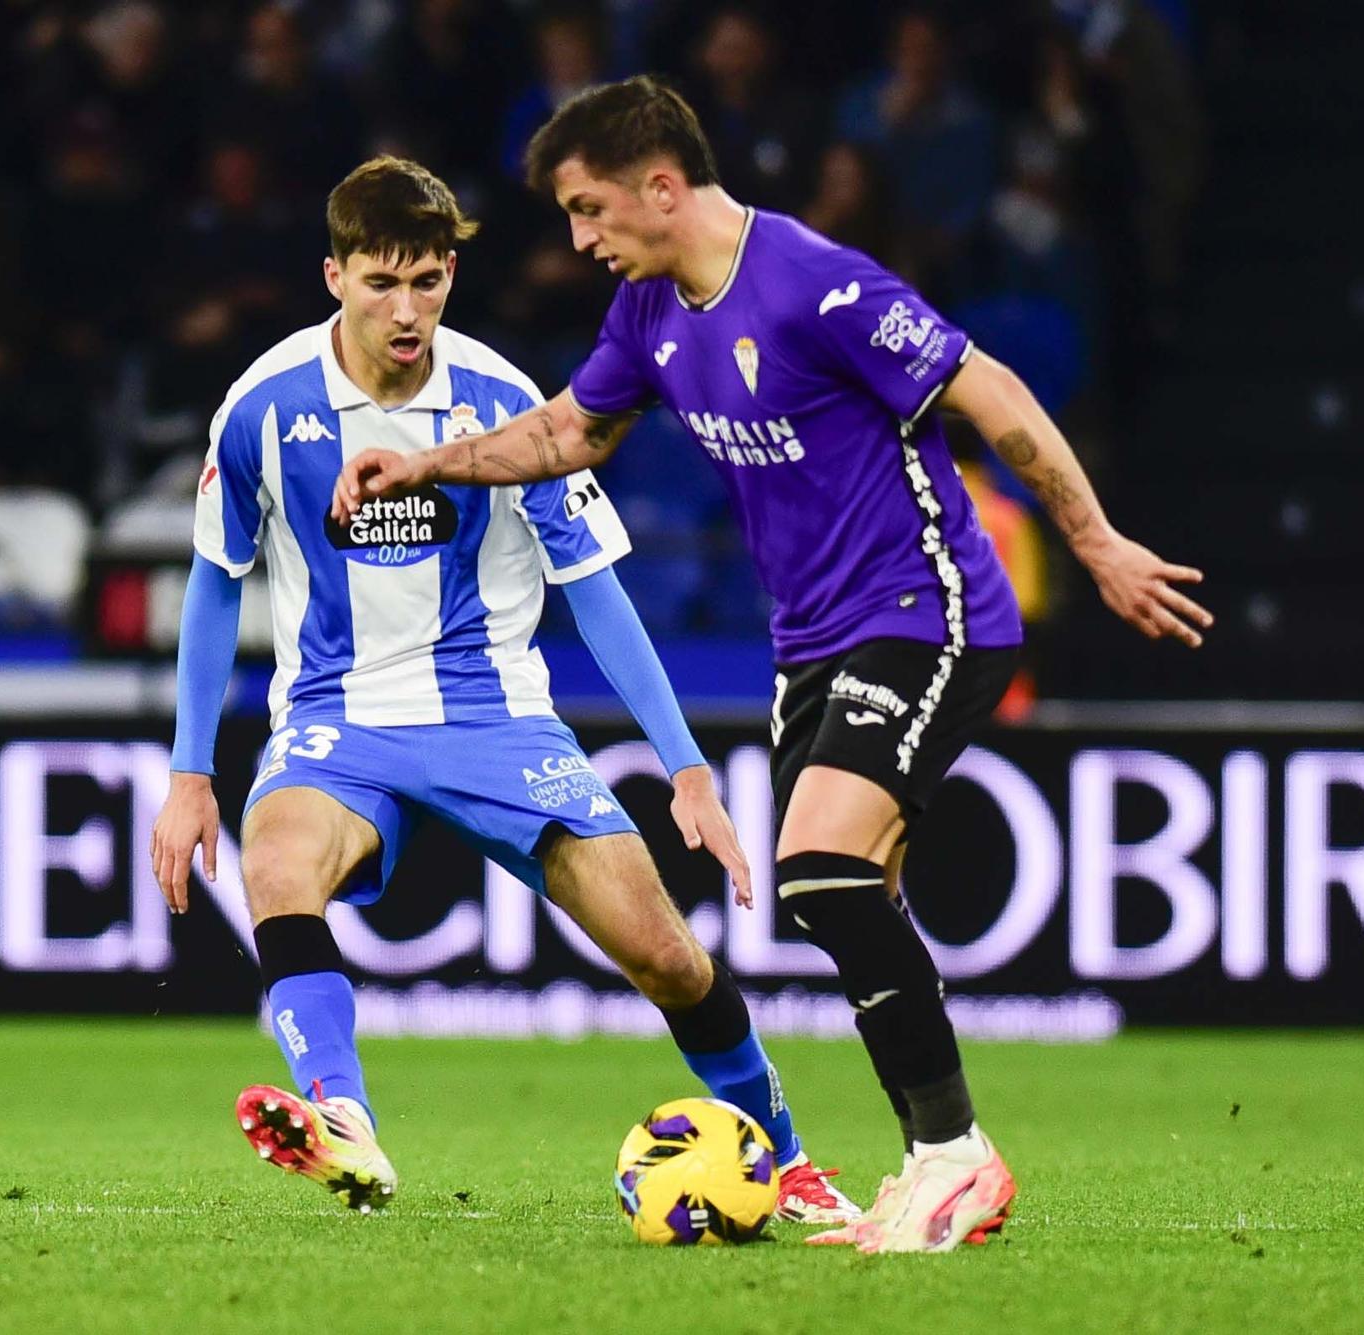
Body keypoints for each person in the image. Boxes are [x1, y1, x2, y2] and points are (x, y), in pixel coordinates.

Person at [332, 76, 1211, 1254]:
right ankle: (930, 1163)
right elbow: (567, 434)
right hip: (811, 640)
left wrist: (1093, 544)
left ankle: (956, 1158)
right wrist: (428, 463)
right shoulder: (647, 315)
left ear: (659, 184)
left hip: (925, 607)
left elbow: (986, 389)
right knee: (849, 896)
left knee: (819, 868)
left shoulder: (812, 282)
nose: (579, 239)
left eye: (589, 209)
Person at [147, 157, 858, 1226]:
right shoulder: (262, 407)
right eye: (382, 284)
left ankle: (790, 1162)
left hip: (495, 720)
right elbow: (214, 581)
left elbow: (595, 591)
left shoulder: (499, 402)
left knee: (665, 955)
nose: (406, 311)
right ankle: (343, 1120)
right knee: (279, 867)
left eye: (427, 283)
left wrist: (685, 768)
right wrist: (190, 772)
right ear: (332, 275)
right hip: (336, 721)